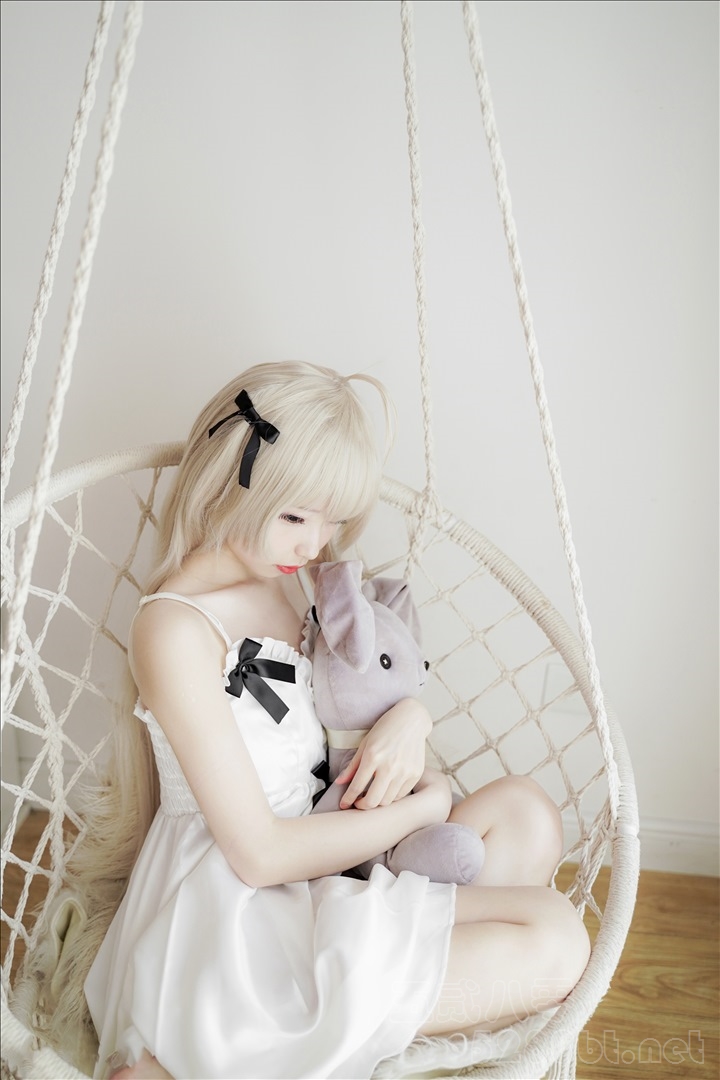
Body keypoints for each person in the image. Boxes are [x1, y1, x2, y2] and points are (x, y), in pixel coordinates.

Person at [75, 360, 590, 1080]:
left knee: (527, 816)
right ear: (226, 481)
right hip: (243, 904)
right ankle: (240, 1048)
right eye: (295, 517)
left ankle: (362, 1019)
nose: (315, 545)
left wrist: (412, 716)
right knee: (560, 938)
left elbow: (358, 699)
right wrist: (427, 806)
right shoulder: (173, 628)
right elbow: (259, 854)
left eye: (333, 520)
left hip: (334, 846)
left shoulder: (296, 583)